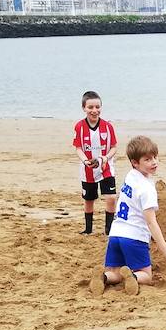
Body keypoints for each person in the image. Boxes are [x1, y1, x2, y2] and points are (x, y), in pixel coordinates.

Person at [88, 136, 166, 296]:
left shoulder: (130, 176)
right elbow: (151, 222)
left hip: (116, 234)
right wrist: (165, 250)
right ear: (135, 163)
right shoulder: (147, 189)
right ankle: (134, 276)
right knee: (146, 275)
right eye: (147, 159)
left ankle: (103, 277)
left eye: (155, 157)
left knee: (115, 272)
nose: (154, 162)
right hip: (134, 237)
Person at [73, 90, 119, 235]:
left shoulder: (108, 126)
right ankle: (88, 229)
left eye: (97, 107)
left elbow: (114, 147)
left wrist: (105, 158)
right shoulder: (79, 127)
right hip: (88, 169)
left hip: (105, 166)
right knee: (89, 199)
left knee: (111, 197)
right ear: (84, 108)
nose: (94, 110)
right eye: (90, 107)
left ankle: (109, 230)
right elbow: (78, 148)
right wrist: (85, 161)